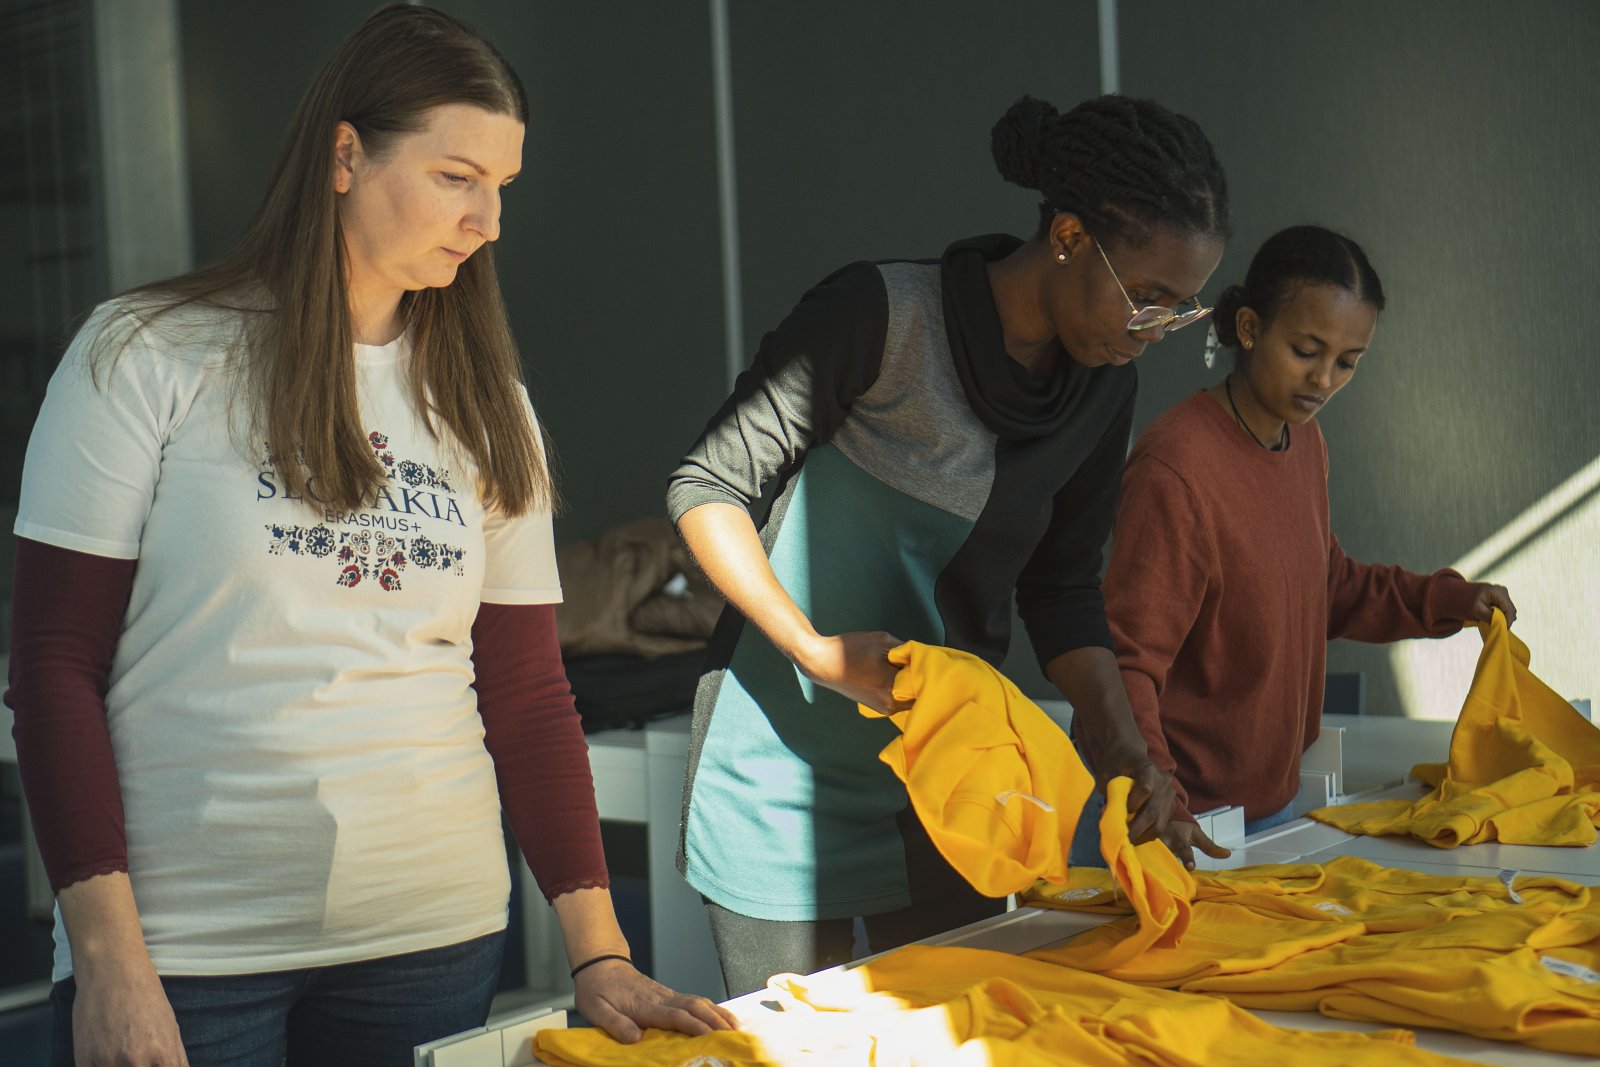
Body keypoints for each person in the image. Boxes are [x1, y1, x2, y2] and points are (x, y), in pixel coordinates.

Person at [5, 6, 734, 1064]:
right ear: (345, 156)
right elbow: (52, 666)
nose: (487, 219)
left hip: (430, 939)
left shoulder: (489, 405)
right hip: (184, 949)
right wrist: (109, 960)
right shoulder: (145, 354)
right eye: (455, 176)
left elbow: (527, 692)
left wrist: (600, 953)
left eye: (502, 186)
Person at [665, 93, 1230, 997]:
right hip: (780, 773)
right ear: (1070, 237)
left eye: (1179, 311)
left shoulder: (1101, 390)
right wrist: (813, 650)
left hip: (950, 783)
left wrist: (1133, 756)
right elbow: (706, 486)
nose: (1152, 331)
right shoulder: (880, 316)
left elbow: (1062, 589)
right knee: (790, 1049)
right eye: (1146, 299)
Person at [1099, 224, 1518, 869]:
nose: (1323, 379)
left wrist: (1447, 601)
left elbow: (1328, 587)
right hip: (1180, 824)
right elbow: (1127, 664)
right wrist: (1160, 798)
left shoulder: (1304, 442)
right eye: (1305, 351)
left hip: (1273, 811)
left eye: (1347, 362)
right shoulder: (1176, 469)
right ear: (1249, 329)